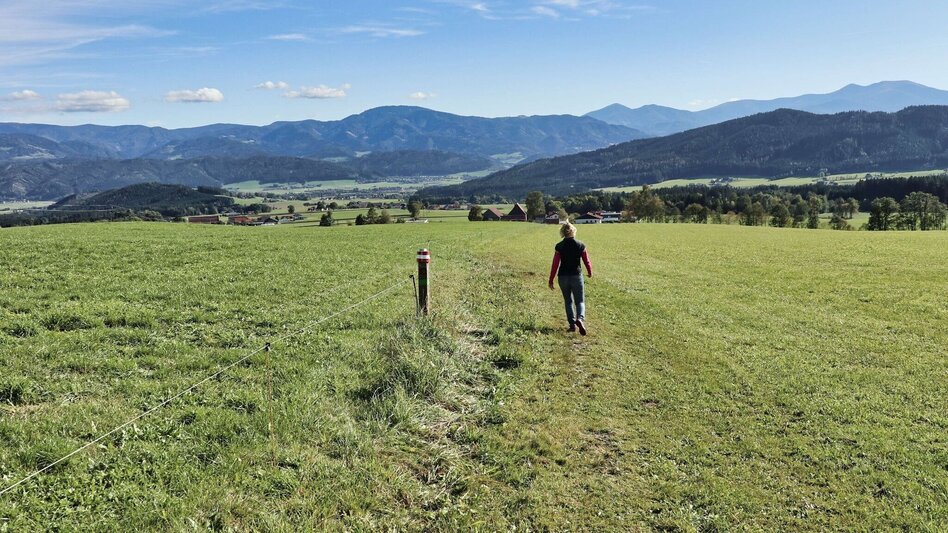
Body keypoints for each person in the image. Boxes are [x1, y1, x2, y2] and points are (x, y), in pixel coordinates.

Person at [548, 222, 593, 335]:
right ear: (573, 231)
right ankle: (580, 319)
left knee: (568, 301)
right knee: (580, 301)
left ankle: (572, 325)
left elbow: (555, 264)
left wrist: (551, 279)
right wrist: (589, 271)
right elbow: (586, 260)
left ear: (562, 232)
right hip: (576, 276)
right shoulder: (580, 245)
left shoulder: (559, 246)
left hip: (563, 277)